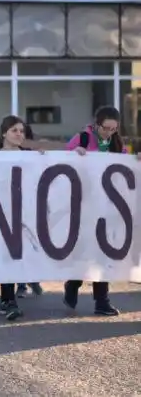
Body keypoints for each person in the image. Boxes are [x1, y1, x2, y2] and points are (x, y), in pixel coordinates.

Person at [63, 105, 133, 317]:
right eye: (106, 128)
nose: (109, 133)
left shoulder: (117, 143)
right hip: (84, 206)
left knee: (104, 254)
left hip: (108, 207)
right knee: (86, 252)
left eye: (113, 129)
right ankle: (73, 284)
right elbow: (60, 162)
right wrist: (75, 154)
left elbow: (125, 168)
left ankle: (101, 301)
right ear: (96, 125)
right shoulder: (82, 139)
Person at [0, 115, 45, 321]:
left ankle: (9, 299)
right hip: (1, 212)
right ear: (4, 133)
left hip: (24, 213)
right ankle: (8, 300)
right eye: (15, 130)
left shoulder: (29, 155)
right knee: (6, 255)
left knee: (19, 256)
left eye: (22, 131)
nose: (19, 134)